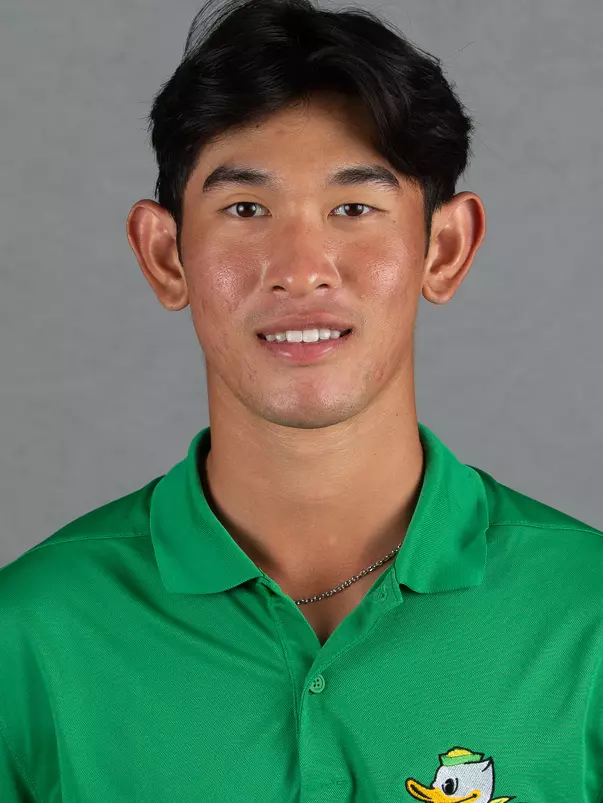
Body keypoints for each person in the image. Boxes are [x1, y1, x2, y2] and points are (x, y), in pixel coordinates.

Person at [1, 0, 602, 799]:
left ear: (444, 247)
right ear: (164, 253)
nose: (300, 267)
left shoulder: (584, 615)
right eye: (245, 209)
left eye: (353, 208)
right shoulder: (32, 633)